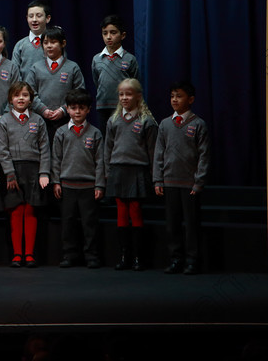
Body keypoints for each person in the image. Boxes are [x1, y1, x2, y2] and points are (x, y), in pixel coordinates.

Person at [154, 81, 210, 275]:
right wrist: (158, 180)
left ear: (191, 99)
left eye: (179, 96)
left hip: (190, 184)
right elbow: (159, 153)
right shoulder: (165, 124)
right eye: (172, 96)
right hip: (169, 182)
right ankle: (176, 258)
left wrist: (199, 181)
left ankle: (192, 260)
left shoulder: (198, 124)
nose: (175, 100)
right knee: (172, 224)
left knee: (191, 224)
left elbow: (204, 155)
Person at [104, 78, 158, 271]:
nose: (124, 98)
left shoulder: (147, 122)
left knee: (135, 211)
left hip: (137, 170)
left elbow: (153, 151)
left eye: (128, 94)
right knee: (121, 213)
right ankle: (124, 256)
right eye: (121, 94)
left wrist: (155, 176)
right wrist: (106, 172)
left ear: (138, 96)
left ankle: (138, 257)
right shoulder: (113, 120)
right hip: (118, 170)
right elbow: (107, 149)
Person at [0, 81, 50, 268]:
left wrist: (44, 173)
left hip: (34, 170)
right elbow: (2, 150)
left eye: (25, 95)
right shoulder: (4, 121)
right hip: (13, 171)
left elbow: (44, 148)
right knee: (17, 212)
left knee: (30, 211)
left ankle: (29, 254)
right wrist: (10, 174)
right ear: (11, 99)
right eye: (17, 95)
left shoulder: (38, 120)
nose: (21, 98)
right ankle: (17, 254)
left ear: (31, 100)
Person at [51, 89, 105, 269]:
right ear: (67, 109)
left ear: (89, 109)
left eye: (81, 108)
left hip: (88, 186)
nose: (77, 112)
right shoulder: (60, 133)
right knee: (68, 224)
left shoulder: (95, 133)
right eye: (73, 108)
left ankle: (91, 256)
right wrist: (56, 182)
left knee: (90, 224)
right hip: (67, 185)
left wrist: (99, 184)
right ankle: (69, 255)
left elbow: (100, 161)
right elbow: (56, 159)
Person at [25, 25, 85, 143]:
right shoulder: (36, 68)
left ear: (63, 43)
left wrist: (63, 110)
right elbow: (29, 92)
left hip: (67, 120)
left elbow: (79, 92)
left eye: (53, 42)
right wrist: (43, 110)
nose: (49, 46)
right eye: (46, 42)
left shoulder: (72, 67)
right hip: (40, 120)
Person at [91, 15, 139, 124]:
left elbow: (135, 83)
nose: (108, 37)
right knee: (105, 137)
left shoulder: (129, 59)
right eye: (105, 33)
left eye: (113, 33)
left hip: (123, 106)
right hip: (103, 106)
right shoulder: (97, 59)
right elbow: (97, 81)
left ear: (123, 35)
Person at [11, 0, 51, 79]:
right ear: (27, 18)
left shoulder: (54, 43)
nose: (34, 20)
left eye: (39, 16)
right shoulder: (20, 45)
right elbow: (14, 73)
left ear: (47, 18)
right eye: (31, 16)